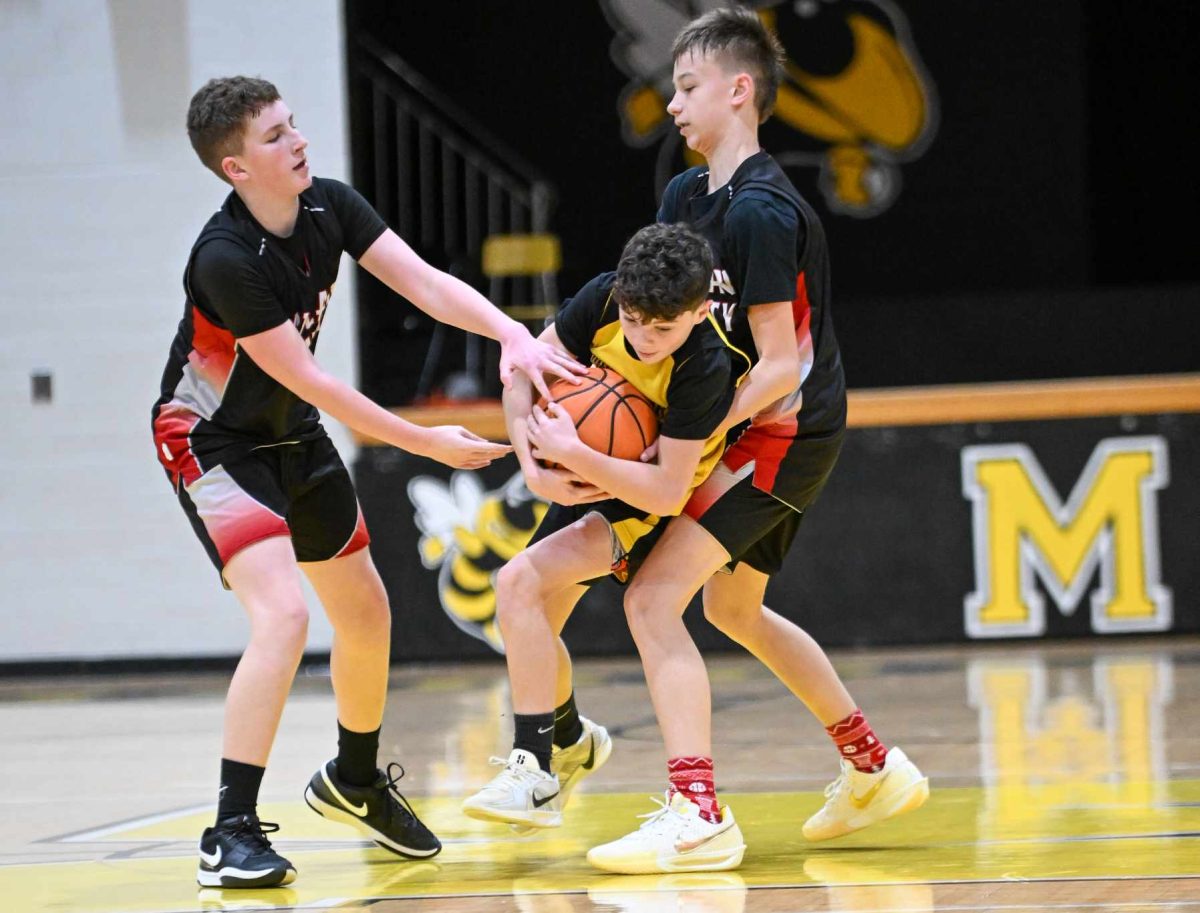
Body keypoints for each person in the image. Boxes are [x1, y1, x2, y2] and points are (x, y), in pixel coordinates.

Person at [151, 75, 584, 889]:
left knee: (367, 613)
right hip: (212, 442)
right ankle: (228, 831)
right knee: (281, 616)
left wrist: (510, 336)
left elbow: (422, 282)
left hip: (290, 435)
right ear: (236, 169)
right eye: (276, 137)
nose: (298, 142)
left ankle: (354, 777)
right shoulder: (223, 259)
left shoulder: (329, 207)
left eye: (293, 125)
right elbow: (316, 381)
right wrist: (424, 439)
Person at [584, 8, 929, 874]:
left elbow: (779, 364)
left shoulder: (768, 212)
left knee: (651, 600)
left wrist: (698, 429)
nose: (670, 104)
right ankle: (871, 764)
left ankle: (697, 808)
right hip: (749, 428)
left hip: (786, 427)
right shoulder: (683, 199)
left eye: (688, 85)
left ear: (740, 90)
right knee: (730, 608)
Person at [460, 223, 750, 869]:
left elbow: (668, 492)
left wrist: (574, 453)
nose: (645, 338)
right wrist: (535, 465)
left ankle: (536, 769)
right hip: (583, 470)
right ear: (619, 293)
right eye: (635, 320)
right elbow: (522, 373)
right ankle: (568, 736)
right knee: (529, 626)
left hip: (641, 495)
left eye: (663, 328)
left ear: (700, 311)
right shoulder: (598, 299)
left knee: (516, 583)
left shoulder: (703, 364)